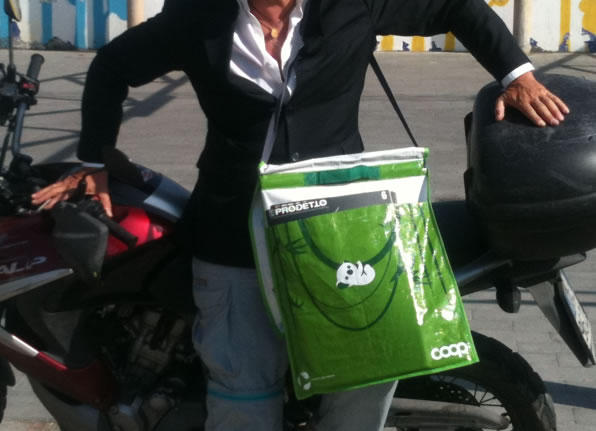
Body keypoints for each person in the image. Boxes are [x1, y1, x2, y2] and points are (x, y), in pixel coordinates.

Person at [31, 0, 569, 430]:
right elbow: (112, 66)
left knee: (367, 373)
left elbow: (455, 7)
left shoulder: (352, 4)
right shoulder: (198, 13)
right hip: (231, 232)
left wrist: (516, 73)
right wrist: (94, 161)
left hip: (341, 231)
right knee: (242, 389)